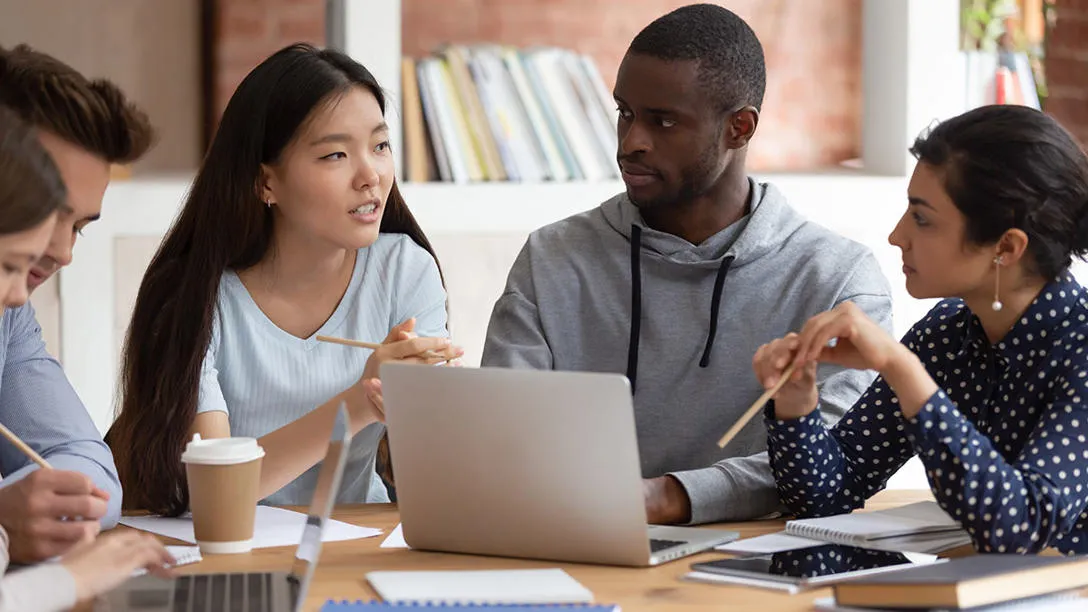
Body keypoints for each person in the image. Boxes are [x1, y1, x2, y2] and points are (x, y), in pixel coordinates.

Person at [481, 3, 893, 525]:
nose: (631, 143)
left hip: (758, 573)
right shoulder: (552, 259)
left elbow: (832, 464)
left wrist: (665, 497)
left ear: (739, 128)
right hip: (574, 545)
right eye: (625, 113)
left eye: (664, 121)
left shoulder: (838, 283)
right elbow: (501, 434)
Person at [108, 43, 463, 517]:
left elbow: (435, 473)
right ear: (265, 183)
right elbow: (216, 490)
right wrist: (362, 402)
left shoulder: (405, 271)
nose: (371, 176)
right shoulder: (194, 295)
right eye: (335, 154)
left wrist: (440, 407)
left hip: (358, 542)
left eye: (380, 146)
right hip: (229, 547)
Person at [754, 104, 1088, 554]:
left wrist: (901, 369)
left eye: (923, 218)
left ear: (1006, 247)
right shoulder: (946, 336)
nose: (897, 235)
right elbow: (827, 494)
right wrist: (797, 405)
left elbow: (1020, 527)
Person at [0, 106, 173, 612]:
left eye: (78, 225)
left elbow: (93, 471)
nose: (62, 252)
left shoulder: (10, 313)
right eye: (51, 212)